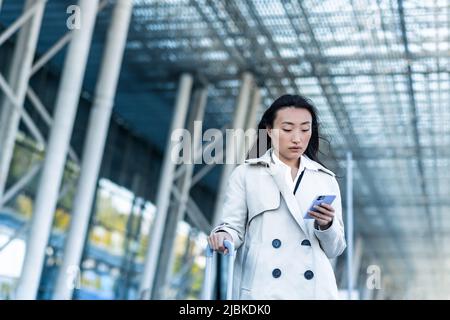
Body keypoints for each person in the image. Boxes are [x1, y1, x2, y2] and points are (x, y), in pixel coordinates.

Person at [207, 94, 346, 299]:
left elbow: (335, 248)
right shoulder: (246, 174)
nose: (297, 138)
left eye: (305, 129)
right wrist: (224, 235)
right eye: (288, 129)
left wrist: (326, 225)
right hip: (263, 289)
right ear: (269, 130)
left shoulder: (325, 180)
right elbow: (232, 227)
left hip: (313, 291)